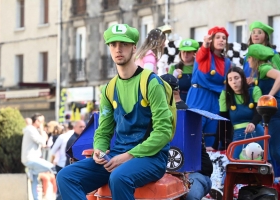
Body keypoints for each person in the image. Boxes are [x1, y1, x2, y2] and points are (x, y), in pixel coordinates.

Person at [56, 24, 173, 200]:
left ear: (134, 47)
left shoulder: (151, 83)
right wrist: (99, 150)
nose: (118, 49)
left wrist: (127, 156)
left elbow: (164, 132)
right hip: (118, 155)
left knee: (120, 177)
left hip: (152, 158)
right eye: (113, 44)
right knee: (65, 176)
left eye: (124, 44)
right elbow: (103, 131)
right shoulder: (109, 88)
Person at [161, 73, 213, 200]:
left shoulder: (185, 114)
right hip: (167, 174)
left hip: (195, 174)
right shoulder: (160, 115)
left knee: (190, 196)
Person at [186, 26, 231, 147]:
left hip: (214, 99)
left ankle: (208, 164)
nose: (221, 40)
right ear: (211, 40)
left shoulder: (227, 62)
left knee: (210, 138)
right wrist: (205, 43)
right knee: (193, 135)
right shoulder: (204, 54)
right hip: (198, 95)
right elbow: (201, 53)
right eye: (218, 37)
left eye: (224, 38)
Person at [247, 43, 280, 175]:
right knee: (274, 150)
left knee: (276, 151)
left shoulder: (264, 67)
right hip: (275, 114)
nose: (247, 60)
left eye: (249, 58)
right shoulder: (261, 72)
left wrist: (269, 96)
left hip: (277, 114)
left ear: (254, 58)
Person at [216, 66, 264, 159]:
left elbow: (259, 112)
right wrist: (216, 144)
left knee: (260, 165)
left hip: (256, 132)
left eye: (236, 78)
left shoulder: (255, 90)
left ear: (242, 78)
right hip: (238, 135)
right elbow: (222, 120)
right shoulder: (225, 95)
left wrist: (253, 123)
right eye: (230, 79)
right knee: (235, 163)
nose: (233, 82)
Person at [21, 113, 56, 200]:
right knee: (52, 168)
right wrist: (41, 129)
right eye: (42, 121)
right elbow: (44, 141)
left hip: (30, 159)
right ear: (36, 121)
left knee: (35, 181)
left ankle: (36, 198)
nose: (43, 123)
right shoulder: (31, 130)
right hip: (31, 159)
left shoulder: (31, 130)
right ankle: (59, 193)